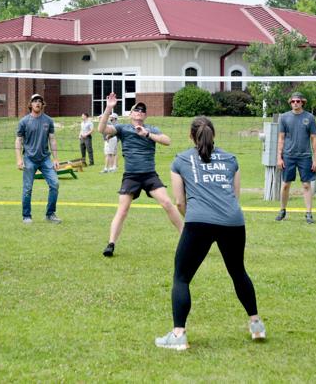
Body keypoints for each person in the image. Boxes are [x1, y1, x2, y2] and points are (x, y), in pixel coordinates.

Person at [155, 117, 265, 350]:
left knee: (181, 277)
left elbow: (179, 202)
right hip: (233, 221)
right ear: (213, 135)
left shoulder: (181, 160)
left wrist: (194, 220)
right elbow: (235, 197)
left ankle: (178, 335)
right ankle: (256, 324)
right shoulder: (231, 159)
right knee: (238, 272)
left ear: (190, 136)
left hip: (198, 222)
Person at [98, 92, 183, 257]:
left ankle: (186, 237)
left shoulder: (151, 129)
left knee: (167, 202)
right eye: (136, 110)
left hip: (150, 175)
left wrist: (147, 134)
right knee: (123, 210)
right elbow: (101, 129)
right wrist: (108, 108)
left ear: (145, 115)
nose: (139, 112)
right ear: (131, 114)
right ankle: (111, 244)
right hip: (131, 176)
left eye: (143, 111)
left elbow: (167, 141)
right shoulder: (123, 128)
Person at [15, 94, 61, 224]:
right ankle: (26, 216)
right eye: (35, 101)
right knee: (28, 188)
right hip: (29, 159)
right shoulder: (24, 121)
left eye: (40, 101)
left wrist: (55, 158)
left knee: (55, 184)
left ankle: (50, 214)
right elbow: (18, 140)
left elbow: (52, 139)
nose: (37, 103)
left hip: (45, 159)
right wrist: (19, 159)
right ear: (30, 104)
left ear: (42, 104)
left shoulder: (48, 120)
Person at [275, 92, 316, 224]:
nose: (295, 103)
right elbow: (281, 138)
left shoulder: (309, 118)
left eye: (298, 101)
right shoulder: (284, 117)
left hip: (305, 156)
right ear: (290, 103)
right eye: (293, 101)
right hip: (288, 156)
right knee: (285, 185)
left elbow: (314, 139)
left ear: (302, 102)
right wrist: (279, 157)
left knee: (306, 185)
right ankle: (282, 210)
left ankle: (309, 213)